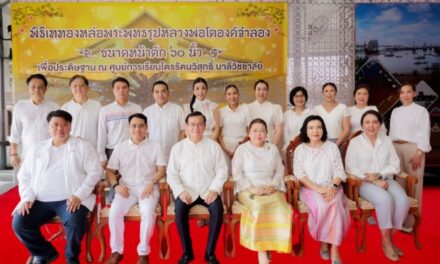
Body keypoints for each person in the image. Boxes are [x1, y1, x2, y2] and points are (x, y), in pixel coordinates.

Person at [12, 110, 102, 264]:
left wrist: (79, 195)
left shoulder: (83, 147)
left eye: (64, 125)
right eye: (55, 125)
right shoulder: (37, 148)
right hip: (39, 200)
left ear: (70, 127)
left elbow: (95, 172)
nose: (60, 128)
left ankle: (71, 258)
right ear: (49, 127)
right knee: (20, 222)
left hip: (70, 199)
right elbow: (24, 175)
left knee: (75, 222)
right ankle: (44, 253)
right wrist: (27, 197)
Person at [345, 110, 409, 261]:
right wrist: (373, 180)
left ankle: (389, 237)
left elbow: (395, 165)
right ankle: (387, 242)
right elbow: (350, 167)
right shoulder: (355, 143)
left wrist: (379, 175)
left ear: (379, 124)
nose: (371, 125)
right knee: (385, 200)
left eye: (374, 122)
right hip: (364, 182)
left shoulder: (386, 140)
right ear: (362, 125)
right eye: (367, 122)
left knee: (403, 201)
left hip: (385, 179)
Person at [167, 111, 228, 264]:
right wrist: (180, 192)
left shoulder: (214, 146)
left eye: (199, 124)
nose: (196, 127)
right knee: (179, 210)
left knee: (217, 209)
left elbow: (222, 170)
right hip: (187, 192)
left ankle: (210, 253)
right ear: (187, 127)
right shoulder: (178, 148)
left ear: (205, 126)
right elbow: (171, 174)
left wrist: (214, 189)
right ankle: (187, 253)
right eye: (192, 124)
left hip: (209, 191)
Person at [105, 113, 166, 264]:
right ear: (128, 128)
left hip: (148, 187)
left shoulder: (155, 145)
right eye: (134, 126)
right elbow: (109, 171)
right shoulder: (120, 147)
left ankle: (143, 253)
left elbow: (161, 169)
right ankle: (116, 251)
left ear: (146, 128)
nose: (137, 129)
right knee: (114, 212)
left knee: (147, 212)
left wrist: (152, 181)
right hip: (127, 188)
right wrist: (116, 185)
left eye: (141, 126)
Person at [232, 118, 292, 264]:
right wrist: (252, 188)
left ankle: (270, 244)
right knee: (259, 206)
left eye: (262, 131)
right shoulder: (242, 149)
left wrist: (273, 185)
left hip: (270, 187)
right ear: (249, 132)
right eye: (255, 131)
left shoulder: (272, 148)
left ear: (266, 133)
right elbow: (237, 172)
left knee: (282, 208)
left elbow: (279, 169)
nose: (258, 134)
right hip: (248, 189)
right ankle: (262, 252)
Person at [293, 115, 350, 264]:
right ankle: (324, 242)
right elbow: (300, 175)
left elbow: (339, 171)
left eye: (318, 127)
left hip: (333, 187)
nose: (315, 131)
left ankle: (335, 249)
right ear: (306, 130)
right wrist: (319, 189)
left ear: (323, 129)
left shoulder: (331, 147)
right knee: (323, 205)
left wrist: (332, 187)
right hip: (311, 189)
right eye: (311, 128)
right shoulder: (300, 149)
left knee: (335, 205)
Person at [389, 83, 431, 211]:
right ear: (399, 95)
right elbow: (391, 133)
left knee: (414, 183)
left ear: (414, 93)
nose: (405, 95)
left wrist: (419, 153)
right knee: (399, 182)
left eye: (408, 92)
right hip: (396, 148)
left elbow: (425, 133)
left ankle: (413, 219)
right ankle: (401, 216)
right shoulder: (395, 111)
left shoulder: (421, 111)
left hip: (413, 149)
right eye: (402, 92)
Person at [9, 74, 59, 166]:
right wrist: (13, 153)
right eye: (33, 87)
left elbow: (59, 132)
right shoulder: (20, 106)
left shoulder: (54, 107)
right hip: (28, 156)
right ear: (28, 88)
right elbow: (15, 132)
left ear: (45, 89)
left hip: (50, 156)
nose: (37, 90)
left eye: (40, 87)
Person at [97, 77, 142, 166]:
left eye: (124, 87)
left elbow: (142, 132)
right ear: (113, 90)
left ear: (129, 90)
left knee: (132, 178)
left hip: (133, 149)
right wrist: (102, 156)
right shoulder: (105, 110)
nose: (121, 90)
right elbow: (101, 134)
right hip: (112, 151)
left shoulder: (137, 108)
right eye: (118, 88)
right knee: (113, 178)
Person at [143, 80, 185, 161]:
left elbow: (183, 131)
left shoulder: (178, 109)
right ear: (153, 94)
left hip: (174, 153)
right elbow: (145, 134)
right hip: (153, 154)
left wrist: (179, 149)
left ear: (168, 93)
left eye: (163, 91)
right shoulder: (147, 112)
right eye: (157, 92)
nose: (160, 94)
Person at [61, 75, 102, 147]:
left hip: (92, 148)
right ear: (71, 88)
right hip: (71, 149)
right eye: (75, 86)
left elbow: (102, 130)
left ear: (87, 87)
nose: (78, 88)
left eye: (82, 85)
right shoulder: (65, 108)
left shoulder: (97, 106)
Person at [218, 84, 249, 162]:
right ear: (225, 96)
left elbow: (250, 131)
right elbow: (218, 134)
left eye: (234, 93)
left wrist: (241, 145)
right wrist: (225, 149)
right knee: (227, 171)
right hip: (226, 146)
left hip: (242, 145)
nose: (232, 96)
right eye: (229, 94)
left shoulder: (245, 109)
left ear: (238, 95)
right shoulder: (222, 111)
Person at [247, 79, 283, 146]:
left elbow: (279, 130)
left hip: (269, 143)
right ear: (254, 91)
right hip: (251, 145)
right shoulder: (247, 108)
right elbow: (246, 129)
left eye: (264, 89)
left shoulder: (275, 108)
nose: (261, 92)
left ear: (267, 91)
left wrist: (272, 146)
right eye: (259, 89)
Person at [283, 86, 313, 151]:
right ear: (292, 98)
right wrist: (290, 148)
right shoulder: (287, 114)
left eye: (302, 96)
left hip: (308, 149)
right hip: (291, 149)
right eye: (296, 96)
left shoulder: (312, 113)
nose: (299, 98)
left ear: (306, 97)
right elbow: (286, 134)